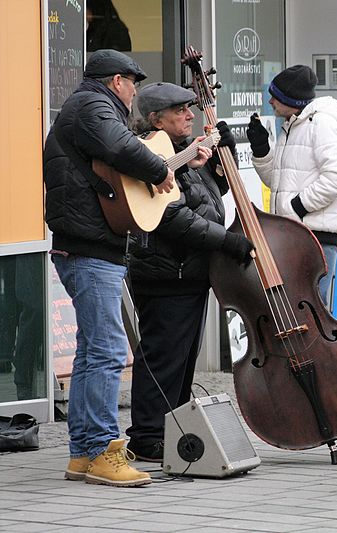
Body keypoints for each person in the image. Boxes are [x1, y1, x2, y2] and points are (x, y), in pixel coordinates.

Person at [44, 49, 176, 487]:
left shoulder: (86, 107)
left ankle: (82, 453)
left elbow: (117, 160)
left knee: (91, 354)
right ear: (117, 80)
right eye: (133, 83)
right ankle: (104, 450)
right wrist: (160, 168)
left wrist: (166, 164)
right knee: (107, 353)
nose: (135, 91)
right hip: (90, 249)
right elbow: (120, 147)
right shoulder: (94, 104)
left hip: (87, 246)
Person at [124, 82, 254, 462]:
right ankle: (147, 436)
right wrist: (226, 242)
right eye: (179, 110)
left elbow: (207, 198)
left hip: (188, 272)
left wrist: (220, 162)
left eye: (190, 107)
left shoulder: (180, 155)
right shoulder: (148, 157)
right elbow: (172, 216)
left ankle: (168, 432)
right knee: (163, 357)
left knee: (181, 360)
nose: (189, 115)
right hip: (167, 273)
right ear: (155, 119)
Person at [247, 65, 337, 309]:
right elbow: (279, 183)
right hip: (296, 234)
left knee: (311, 311)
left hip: (315, 237)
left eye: (276, 96)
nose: (270, 100)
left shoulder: (321, 124)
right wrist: (261, 150)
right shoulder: (293, 125)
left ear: (290, 99)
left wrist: (298, 207)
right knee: (293, 310)